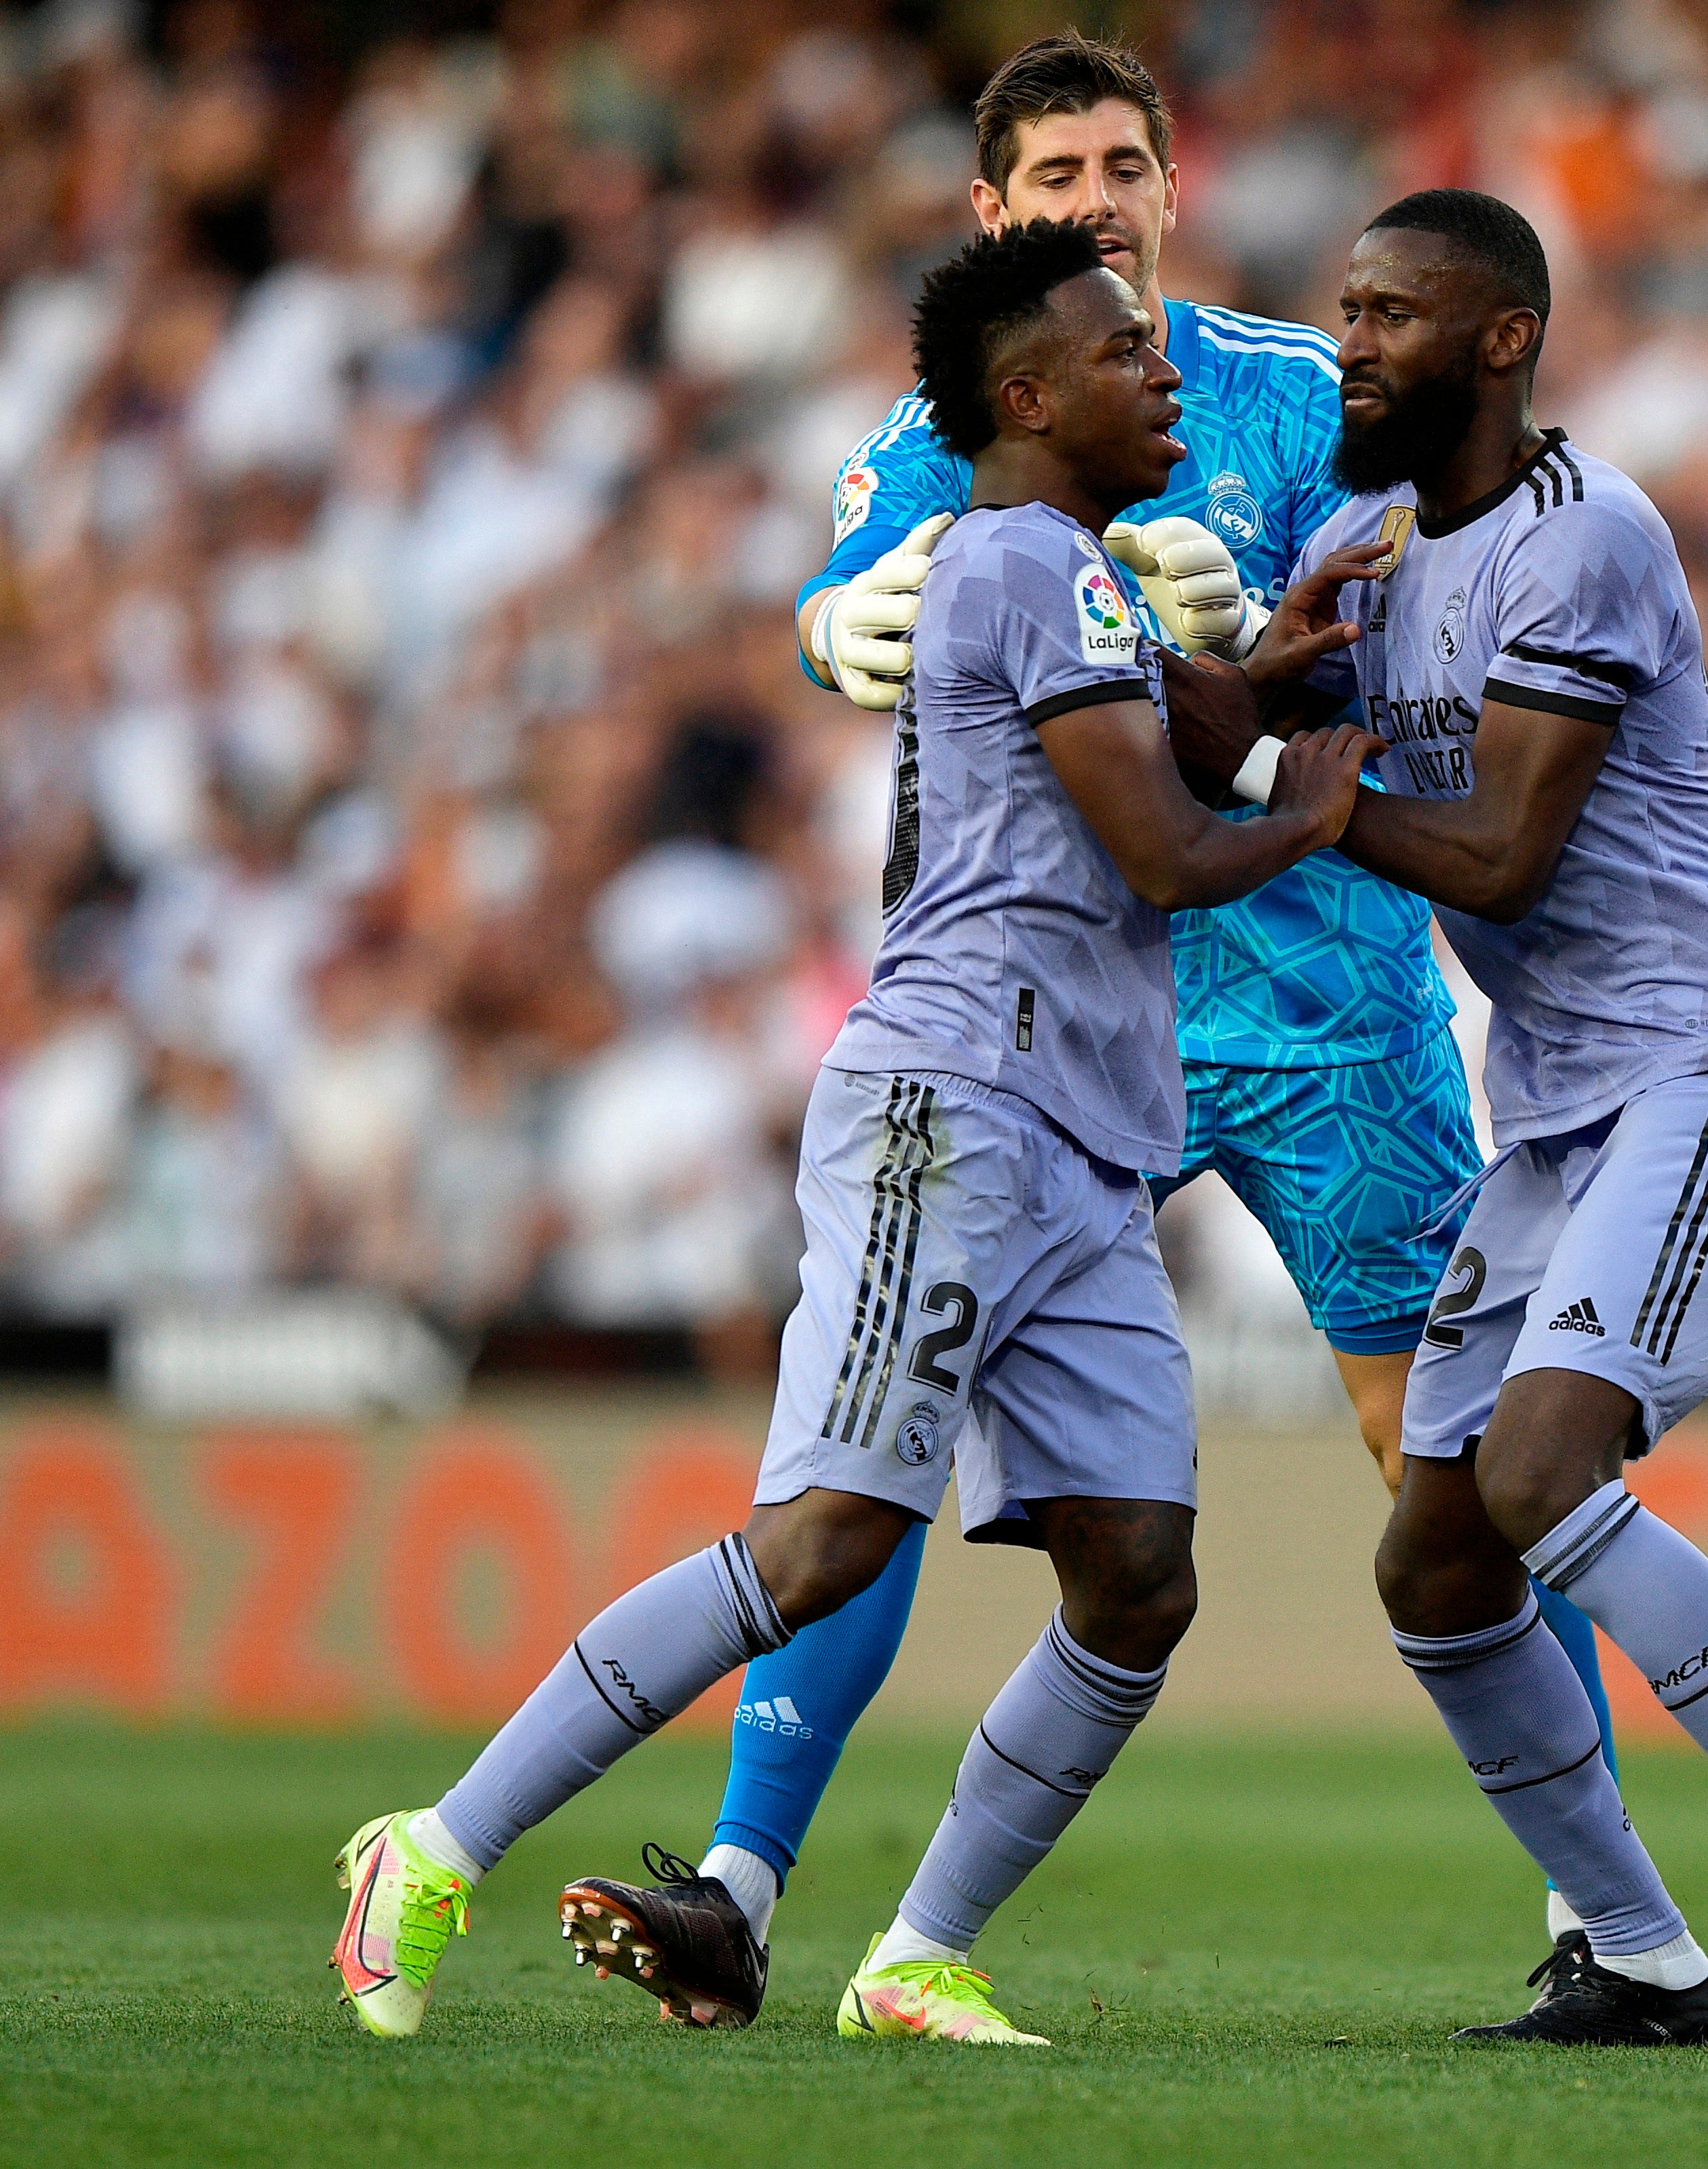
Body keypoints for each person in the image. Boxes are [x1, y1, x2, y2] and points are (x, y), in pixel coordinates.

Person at [569, 31, 1622, 2029]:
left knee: (1466, 1457)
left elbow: (1429, 602)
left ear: (1170, 183)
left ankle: (1601, 1919)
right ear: (992, 216)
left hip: (1325, 1013)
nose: (1095, 199)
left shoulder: (1303, 389)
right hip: (1060, 1034)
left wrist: (1271, 633)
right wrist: (830, 627)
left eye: (1123, 163)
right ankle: (736, 1886)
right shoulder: (946, 417)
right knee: (870, 1466)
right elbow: (852, 582)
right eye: (1054, 173)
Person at [331, 216, 1379, 2046]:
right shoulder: (1010, 566)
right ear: (1029, 396)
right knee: (819, 1545)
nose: (1165, 378)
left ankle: (916, 1957)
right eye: (1127, 355)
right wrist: (1318, 807)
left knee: (1136, 1579)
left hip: (1082, 1141)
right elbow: (1168, 844)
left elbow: (1175, 732)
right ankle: (432, 1844)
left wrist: (1273, 678)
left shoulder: (1079, 575)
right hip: (950, 1110)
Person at [1252, 189, 1708, 2048]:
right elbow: (1245, 742)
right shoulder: (1362, 545)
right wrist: (1232, 675)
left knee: (1540, 1471)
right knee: (1433, 1556)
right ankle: (1641, 1955)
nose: (1353, 341)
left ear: (1500, 339)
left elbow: (1498, 848)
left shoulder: (1590, 539)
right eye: (1344, 305)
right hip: (1561, 1105)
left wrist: (1298, 788)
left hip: (1702, 1066)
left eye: (1393, 311)